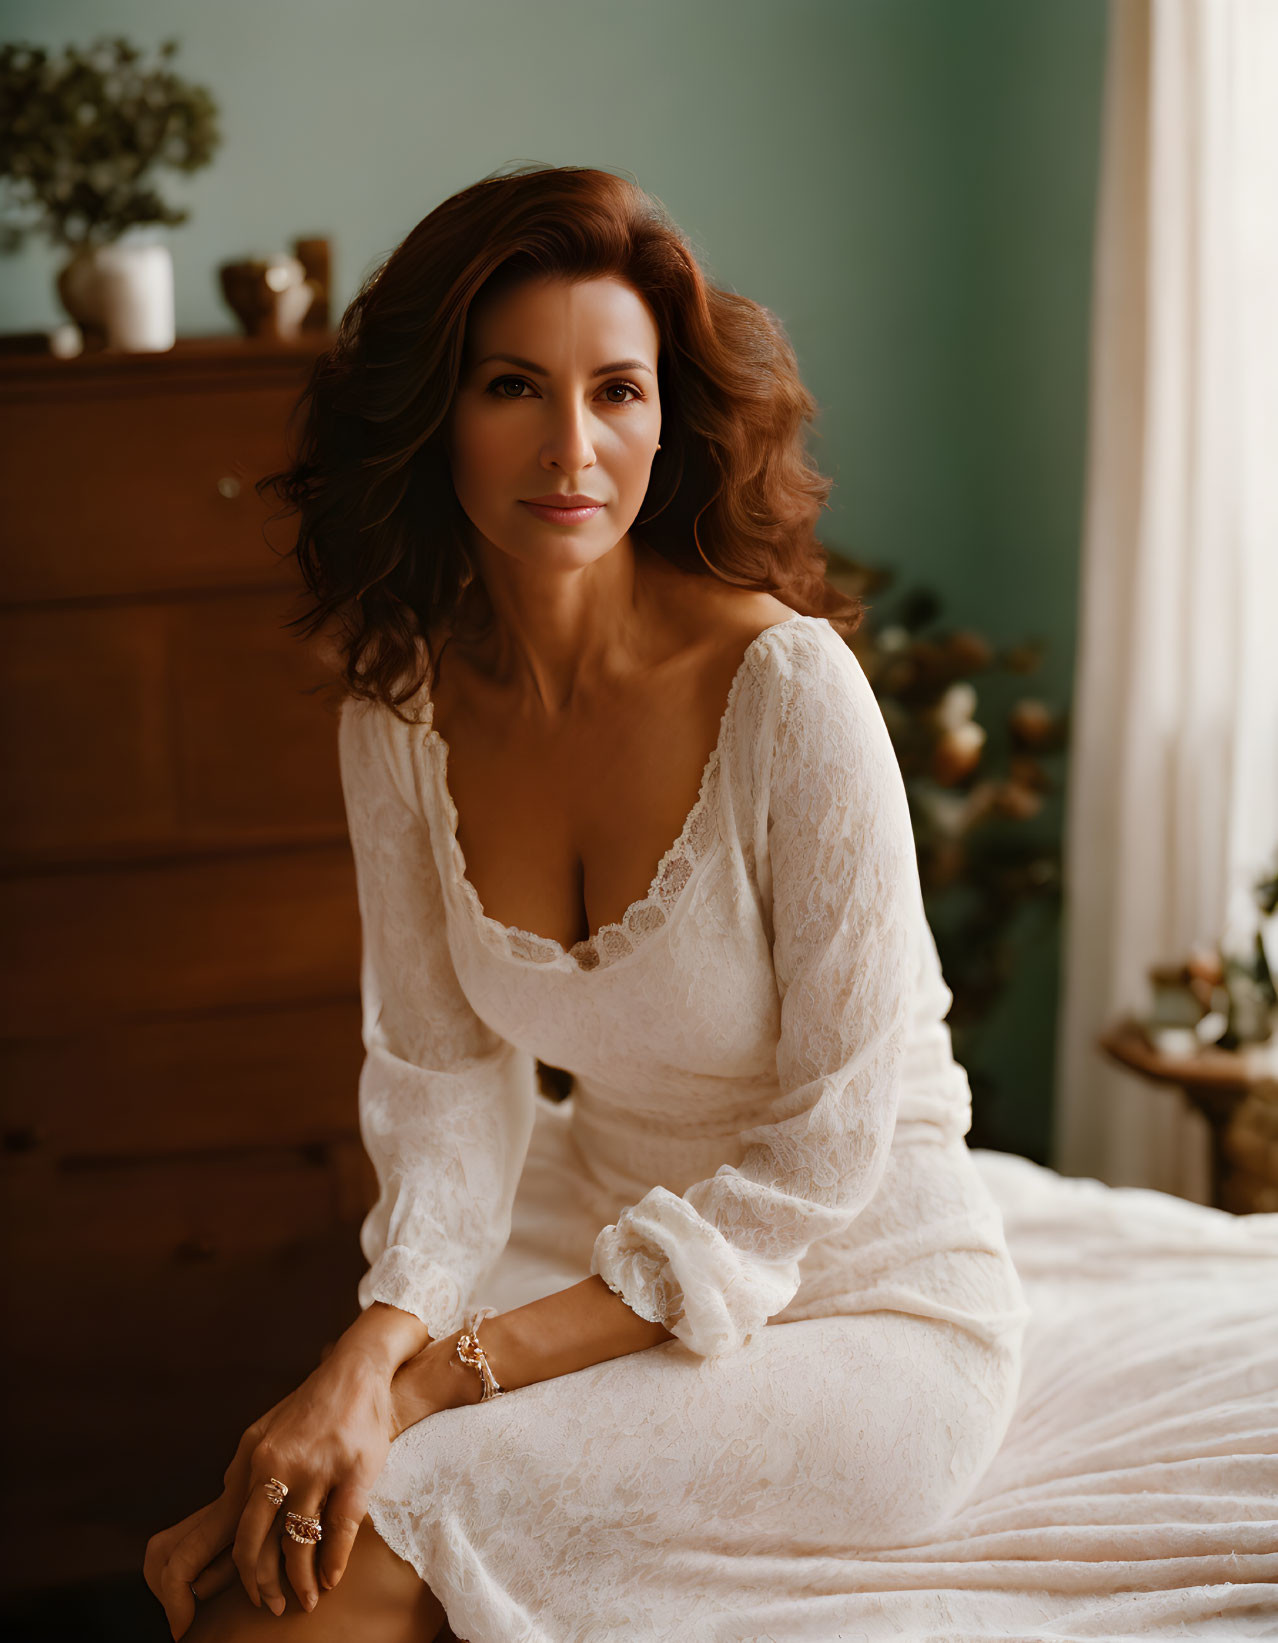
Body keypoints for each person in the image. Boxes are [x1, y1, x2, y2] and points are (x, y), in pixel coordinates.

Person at [145, 164, 1031, 1643]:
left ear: (667, 419)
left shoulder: (784, 689)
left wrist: (429, 1375)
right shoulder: (400, 711)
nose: (570, 448)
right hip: (606, 1259)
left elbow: (824, 1155)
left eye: (615, 392)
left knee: (317, 1566)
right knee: (296, 1526)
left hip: (861, 1310)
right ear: (435, 413)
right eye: (512, 386)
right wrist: (375, 1343)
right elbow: (442, 1082)